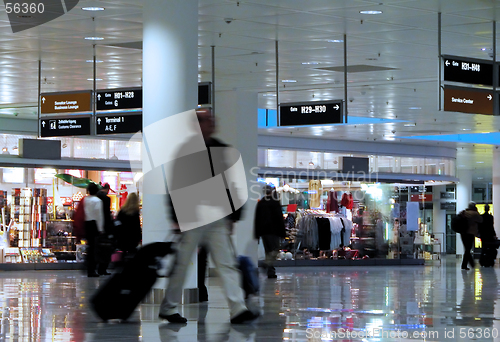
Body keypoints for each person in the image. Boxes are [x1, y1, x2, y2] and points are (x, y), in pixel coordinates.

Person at [159, 108, 257, 324]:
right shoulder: (186, 151)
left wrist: (234, 215)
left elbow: (232, 184)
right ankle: (168, 307)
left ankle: (238, 308)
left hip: (217, 216)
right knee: (182, 264)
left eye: (211, 120)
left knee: (226, 263)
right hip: (191, 216)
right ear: (196, 125)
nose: (210, 123)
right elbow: (175, 186)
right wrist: (175, 217)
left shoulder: (222, 150)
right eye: (205, 120)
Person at [254, 185, 286, 278]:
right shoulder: (275, 202)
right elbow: (279, 218)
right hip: (274, 231)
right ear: (271, 192)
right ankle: (267, 264)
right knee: (275, 249)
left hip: (264, 232)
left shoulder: (260, 203)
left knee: (268, 251)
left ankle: (270, 271)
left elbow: (257, 219)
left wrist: (257, 233)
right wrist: (283, 232)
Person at [83, 182, 104, 277]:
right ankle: (92, 269)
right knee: (94, 248)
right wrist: (100, 228)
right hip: (94, 225)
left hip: (86, 224)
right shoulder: (97, 201)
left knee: (89, 247)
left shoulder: (85, 200)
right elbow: (99, 216)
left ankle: (88, 268)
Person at [96, 182, 114, 275]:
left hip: (95, 226)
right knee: (106, 249)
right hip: (105, 227)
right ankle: (103, 269)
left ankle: (96, 268)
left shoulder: (95, 197)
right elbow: (106, 214)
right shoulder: (106, 199)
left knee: (97, 249)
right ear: (108, 189)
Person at [460, 202, 483, 270]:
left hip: (463, 233)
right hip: (470, 233)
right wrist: (477, 211)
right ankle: (469, 264)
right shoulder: (474, 213)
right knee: (468, 249)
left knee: (467, 249)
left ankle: (468, 264)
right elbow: (481, 220)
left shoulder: (464, 212)